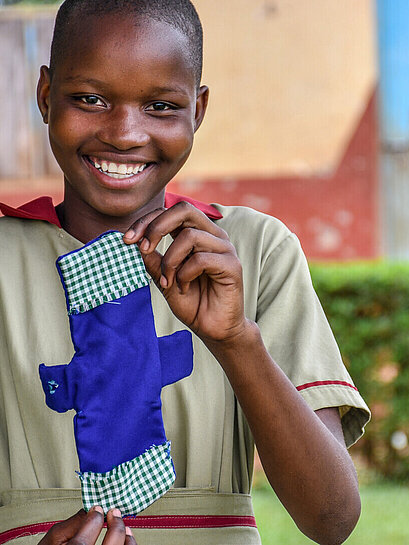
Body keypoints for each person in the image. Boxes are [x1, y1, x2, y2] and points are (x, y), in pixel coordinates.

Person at [0, 1, 370, 544]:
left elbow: (332, 520)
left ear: (196, 110)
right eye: (90, 99)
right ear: (45, 97)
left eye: (160, 106)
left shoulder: (254, 250)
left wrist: (238, 340)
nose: (125, 133)